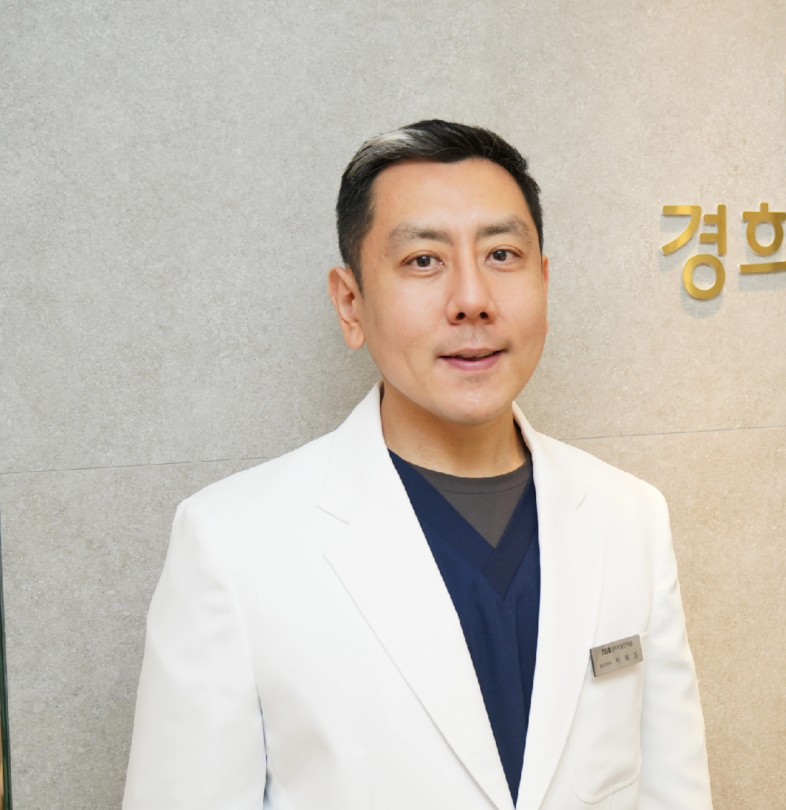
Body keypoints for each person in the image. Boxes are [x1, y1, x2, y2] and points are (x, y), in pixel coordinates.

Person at [122, 120, 712, 809]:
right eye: (424, 261)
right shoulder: (231, 543)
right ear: (351, 304)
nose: (472, 300)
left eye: (502, 254)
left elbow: (674, 792)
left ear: (545, 282)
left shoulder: (629, 516)